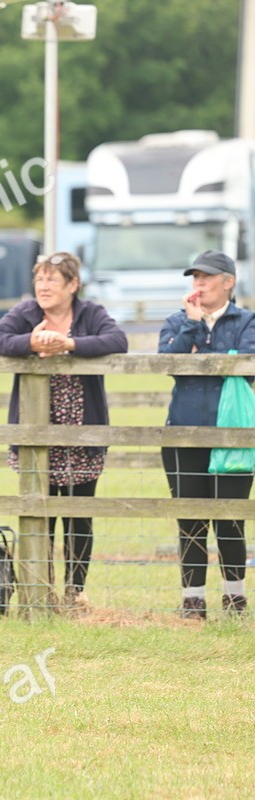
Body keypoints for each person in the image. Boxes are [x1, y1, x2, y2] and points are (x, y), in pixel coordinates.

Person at [0, 252, 128, 610]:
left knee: (78, 515)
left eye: (52, 280)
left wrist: (69, 345)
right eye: (40, 280)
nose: (44, 287)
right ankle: (41, 589)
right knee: (39, 513)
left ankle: (75, 592)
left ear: (72, 285)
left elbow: (117, 340)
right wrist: (29, 343)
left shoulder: (90, 313)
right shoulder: (26, 313)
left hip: (82, 435)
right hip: (35, 435)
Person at [159, 250, 255, 619]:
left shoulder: (247, 320)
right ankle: (193, 601)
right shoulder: (176, 321)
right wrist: (193, 326)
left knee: (231, 518)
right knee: (191, 520)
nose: (198, 284)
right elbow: (172, 365)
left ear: (228, 282)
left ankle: (235, 599)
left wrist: (208, 356)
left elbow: (244, 367)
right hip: (183, 434)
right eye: (194, 277)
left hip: (234, 436)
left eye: (207, 277)